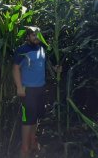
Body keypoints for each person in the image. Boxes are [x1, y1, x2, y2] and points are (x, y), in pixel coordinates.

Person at [12, 26, 61, 158]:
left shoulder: (41, 49)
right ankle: (24, 149)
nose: (36, 37)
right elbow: (15, 68)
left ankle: (33, 142)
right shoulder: (23, 50)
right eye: (33, 35)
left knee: (36, 117)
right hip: (28, 89)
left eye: (38, 35)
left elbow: (44, 65)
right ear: (27, 37)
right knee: (27, 120)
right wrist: (19, 87)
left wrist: (56, 69)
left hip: (40, 88)